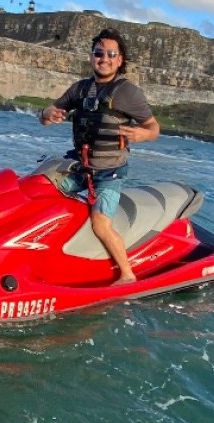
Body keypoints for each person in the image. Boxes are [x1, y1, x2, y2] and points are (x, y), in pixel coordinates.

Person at [40, 28, 160, 283]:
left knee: (100, 224)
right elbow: (50, 109)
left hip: (109, 172)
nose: (103, 58)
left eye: (110, 54)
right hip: (78, 165)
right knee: (39, 187)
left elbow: (154, 127)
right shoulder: (80, 89)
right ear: (91, 56)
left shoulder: (128, 93)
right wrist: (46, 114)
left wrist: (142, 134)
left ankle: (127, 275)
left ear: (120, 60)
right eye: (98, 53)